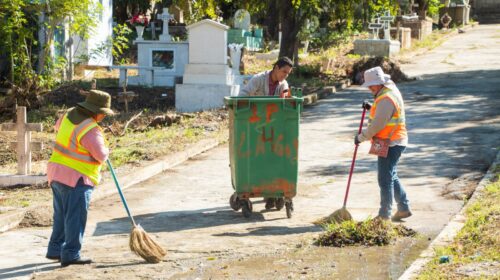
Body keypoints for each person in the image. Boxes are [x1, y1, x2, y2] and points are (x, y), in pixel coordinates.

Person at [46, 90, 114, 267]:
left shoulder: (69, 114)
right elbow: (100, 155)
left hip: (55, 172)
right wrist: (107, 150)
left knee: (61, 214)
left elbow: (57, 127)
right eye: (103, 114)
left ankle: (55, 249)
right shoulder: (90, 129)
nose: (103, 118)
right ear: (97, 112)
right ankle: (70, 254)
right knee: (75, 217)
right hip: (77, 178)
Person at [354, 66, 412, 222]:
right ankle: (404, 208)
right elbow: (383, 113)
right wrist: (372, 107)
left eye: (372, 85)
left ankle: (384, 215)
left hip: (390, 142)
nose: (370, 88)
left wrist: (361, 137)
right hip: (393, 140)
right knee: (391, 175)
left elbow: (378, 124)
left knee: (384, 179)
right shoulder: (388, 90)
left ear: (380, 82)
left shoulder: (386, 98)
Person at [238, 56, 293, 210]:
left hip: (273, 127)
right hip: (254, 125)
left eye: (287, 73)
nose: (285, 75)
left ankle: (271, 193)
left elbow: (287, 100)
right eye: (283, 72)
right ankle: (256, 189)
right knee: (255, 158)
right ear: (276, 68)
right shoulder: (258, 80)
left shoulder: (283, 84)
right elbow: (243, 95)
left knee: (272, 158)